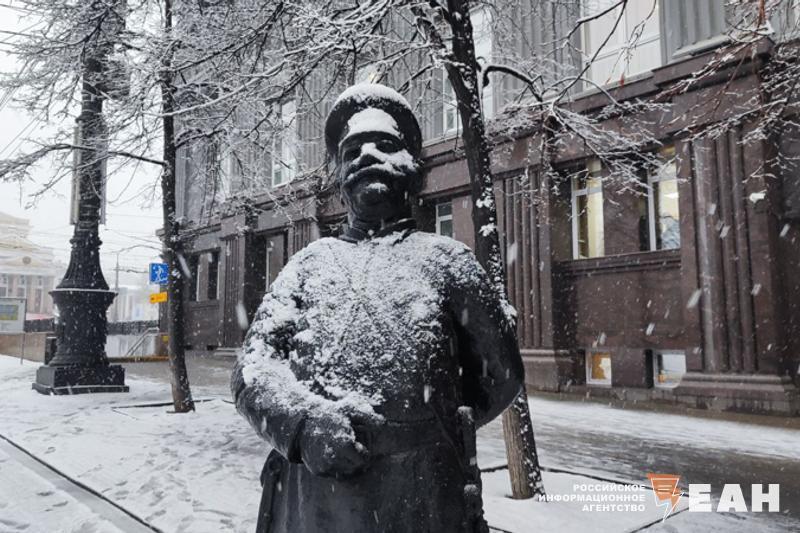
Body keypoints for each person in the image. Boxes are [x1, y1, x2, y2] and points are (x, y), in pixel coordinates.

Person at [231, 83, 524, 533]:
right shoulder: (308, 266)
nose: (367, 156)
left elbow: (500, 375)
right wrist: (303, 426)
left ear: (413, 170)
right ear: (340, 179)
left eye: (385, 146)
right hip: (316, 507)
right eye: (353, 151)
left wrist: (427, 428)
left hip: (423, 503)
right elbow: (253, 370)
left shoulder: (449, 262)